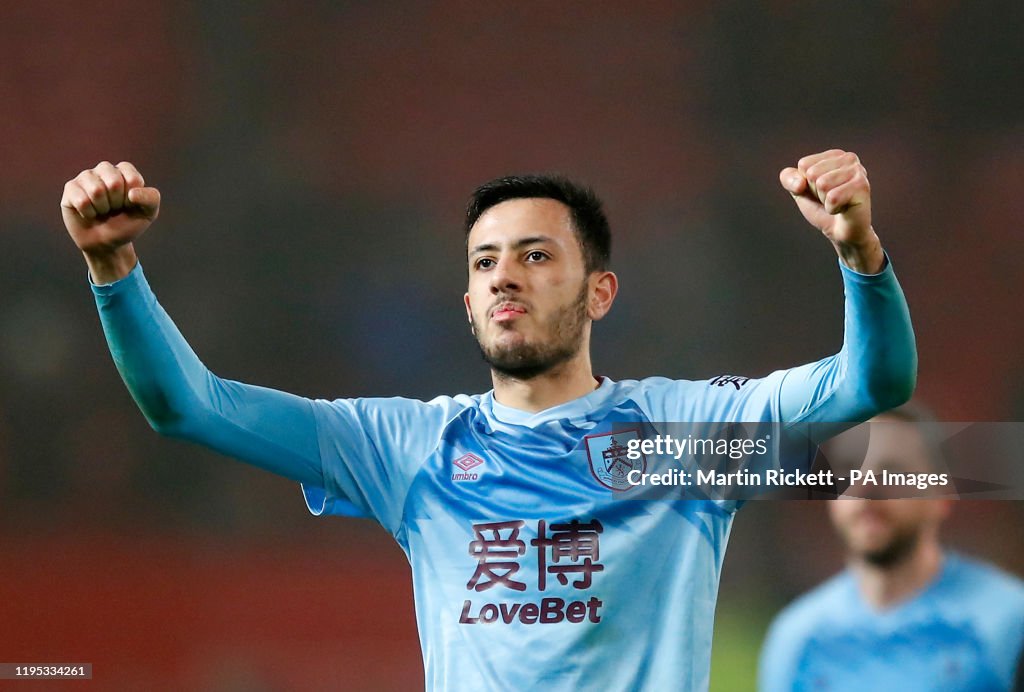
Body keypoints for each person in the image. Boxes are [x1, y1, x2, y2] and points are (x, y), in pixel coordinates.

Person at [62, 150, 916, 691]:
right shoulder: (407, 447)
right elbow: (188, 405)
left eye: (538, 255)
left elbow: (870, 382)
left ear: (600, 292)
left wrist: (859, 254)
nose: (506, 275)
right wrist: (113, 269)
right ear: (467, 302)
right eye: (485, 262)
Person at [758, 405, 1024, 692]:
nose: (866, 489)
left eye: (891, 472)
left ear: (942, 495)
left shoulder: (1007, 622)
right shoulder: (797, 638)